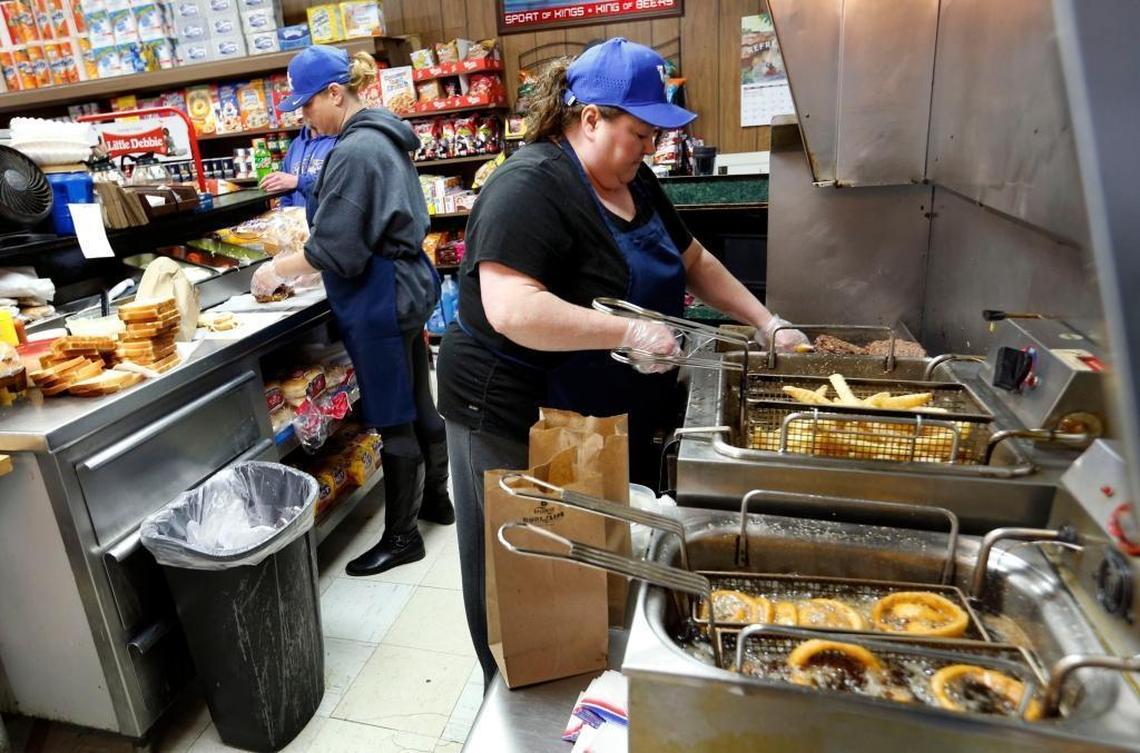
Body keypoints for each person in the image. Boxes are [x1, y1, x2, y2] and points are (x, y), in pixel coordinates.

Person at [435, 38, 809, 685]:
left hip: (586, 400)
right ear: (589, 119)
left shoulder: (635, 180)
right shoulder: (528, 186)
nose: (651, 148)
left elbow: (694, 260)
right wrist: (629, 331)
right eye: (639, 133)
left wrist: (766, 322)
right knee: (517, 555)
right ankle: (512, 683)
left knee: (577, 547)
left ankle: (579, 661)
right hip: (503, 404)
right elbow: (511, 306)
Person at [251, 45, 454, 576]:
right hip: (405, 285)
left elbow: (336, 249)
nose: (303, 116)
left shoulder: (356, 150)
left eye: (306, 104)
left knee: (394, 416)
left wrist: (277, 270)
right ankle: (437, 499)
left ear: (335, 94)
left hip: (379, 295)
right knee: (418, 399)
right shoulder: (381, 135)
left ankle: (403, 536)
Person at [259, 124, 336, 209]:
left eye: (308, 109)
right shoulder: (296, 144)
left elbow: (337, 185)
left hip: (326, 219)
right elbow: (285, 192)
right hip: (297, 219)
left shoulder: (341, 141)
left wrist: (298, 181)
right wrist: (287, 215)